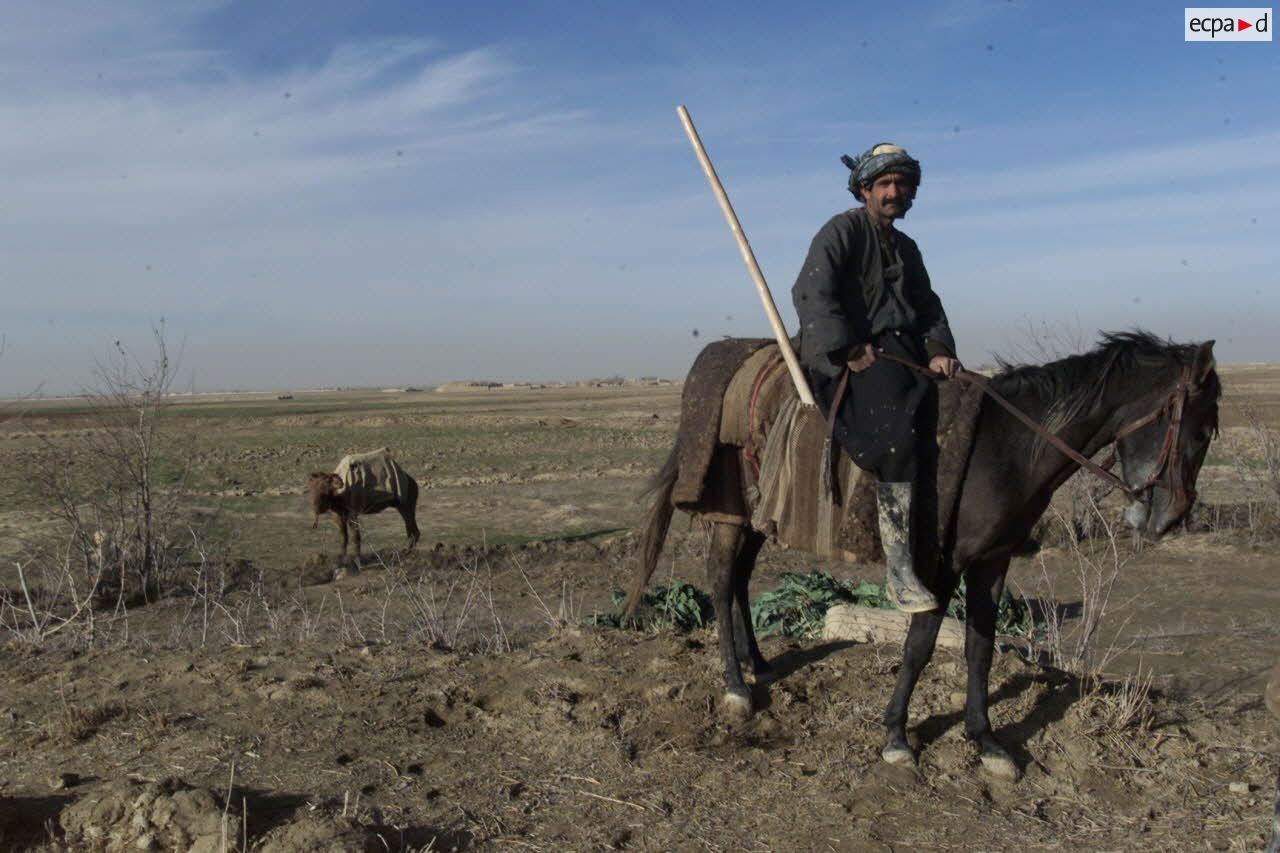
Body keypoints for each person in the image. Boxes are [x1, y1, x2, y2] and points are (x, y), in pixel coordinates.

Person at [791, 143, 962, 612]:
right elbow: (812, 291)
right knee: (897, 435)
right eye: (884, 184)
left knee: (967, 409)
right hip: (849, 355)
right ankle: (899, 569)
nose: (894, 192)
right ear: (865, 189)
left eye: (902, 184)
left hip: (902, 352)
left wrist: (941, 350)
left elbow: (928, 307)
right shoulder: (841, 230)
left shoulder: (908, 248)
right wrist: (846, 346)